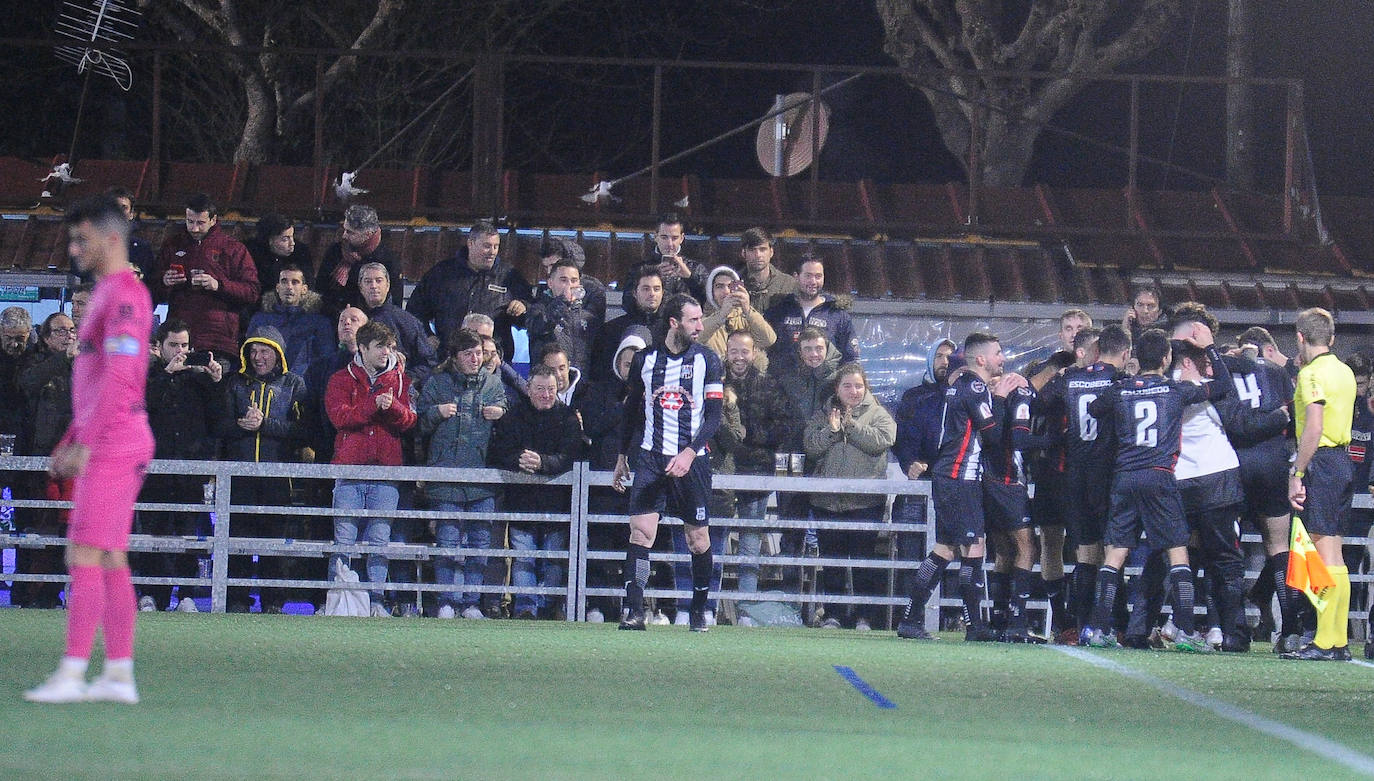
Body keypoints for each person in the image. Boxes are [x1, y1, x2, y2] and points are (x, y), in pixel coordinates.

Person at [25, 194, 154, 705]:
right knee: (110, 556)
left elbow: (122, 376)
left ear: (112, 239)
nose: (74, 248)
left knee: (83, 551)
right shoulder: (109, 292)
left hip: (115, 441)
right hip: (117, 435)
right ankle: (118, 675)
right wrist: (68, 438)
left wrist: (85, 442)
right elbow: (99, 378)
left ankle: (73, 673)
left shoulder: (122, 296)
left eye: (82, 239)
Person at [1077, 326, 1232, 651]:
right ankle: (1187, 631)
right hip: (1160, 477)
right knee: (1178, 550)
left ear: (1134, 357)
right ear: (1166, 358)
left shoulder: (1119, 390)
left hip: (1125, 477)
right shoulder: (1176, 390)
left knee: (1115, 552)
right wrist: (1212, 350)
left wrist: (1120, 380)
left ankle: (1099, 630)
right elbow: (1223, 387)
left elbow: (1093, 408)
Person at [897, 332, 1026, 642]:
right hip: (959, 476)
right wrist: (1002, 398)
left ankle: (911, 619)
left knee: (946, 548)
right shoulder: (976, 386)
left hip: (950, 476)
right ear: (980, 359)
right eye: (998, 353)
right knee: (973, 547)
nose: (1002, 359)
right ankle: (974, 627)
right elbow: (992, 434)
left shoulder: (959, 386)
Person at [613, 294, 724, 631]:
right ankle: (634, 610)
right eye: (693, 320)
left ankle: (698, 611)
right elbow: (631, 410)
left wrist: (690, 452)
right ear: (674, 322)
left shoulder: (708, 360)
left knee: (698, 540)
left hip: (694, 461)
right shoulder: (645, 360)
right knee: (641, 532)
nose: (700, 326)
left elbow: (714, 416)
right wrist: (621, 455)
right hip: (651, 457)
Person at [1037, 324, 1130, 640]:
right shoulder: (1118, 379)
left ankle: (1081, 626)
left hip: (1074, 473)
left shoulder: (1069, 379)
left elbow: (1039, 401)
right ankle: (1114, 625)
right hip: (1107, 474)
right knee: (1112, 552)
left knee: (1085, 554)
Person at [325, 321, 417, 617]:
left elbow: (410, 421)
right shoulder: (340, 379)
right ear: (362, 348)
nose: (386, 352)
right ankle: (339, 602)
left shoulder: (401, 380)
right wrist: (373, 405)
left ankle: (376, 602)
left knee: (380, 540)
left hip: (386, 473)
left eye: (389, 346)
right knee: (345, 539)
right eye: (379, 346)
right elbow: (340, 418)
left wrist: (392, 408)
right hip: (350, 470)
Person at [1223, 324, 1305, 652]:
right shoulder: (1277, 372)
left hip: (1236, 463)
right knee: (1279, 547)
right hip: (1274, 462)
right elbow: (1292, 419)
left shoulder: (1226, 371)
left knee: (1229, 548)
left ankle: (1233, 632)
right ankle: (1290, 631)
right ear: (1265, 348)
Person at [215, 325, 307, 613]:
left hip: (277, 478)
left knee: (274, 545)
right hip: (239, 477)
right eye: (253, 350)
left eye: (265, 350)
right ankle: (237, 601)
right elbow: (219, 425)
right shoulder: (234, 383)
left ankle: (274, 603)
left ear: (278, 353)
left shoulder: (294, 384)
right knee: (236, 541)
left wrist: (265, 424)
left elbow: (303, 430)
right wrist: (242, 424)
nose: (258, 357)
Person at [135, 319, 223, 614]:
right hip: (152, 471)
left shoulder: (200, 382)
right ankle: (150, 594)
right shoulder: (144, 376)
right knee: (152, 535)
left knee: (190, 535)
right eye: (173, 345)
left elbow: (218, 421)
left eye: (185, 345)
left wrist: (216, 382)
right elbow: (140, 410)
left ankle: (186, 594)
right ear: (158, 347)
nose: (180, 351)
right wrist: (165, 376)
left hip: (189, 472)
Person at [1284, 307, 1357, 661]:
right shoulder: (1344, 371)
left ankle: (1325, 642)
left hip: (1322, 462)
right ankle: (1338, 639)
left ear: (1300, 337)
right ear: (1331, 338)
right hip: (1343, 461)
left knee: (1322, 552)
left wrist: (1297, 472)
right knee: (1335, 552)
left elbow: (1313, 426)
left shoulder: (1311, 374)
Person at [418, 329, 507, 620]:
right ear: (455, 357)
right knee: (447, 541)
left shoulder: (494, 385)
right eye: (468, 353)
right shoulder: (437, 384)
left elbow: (510, 422)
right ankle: (447, 601)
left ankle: (470, 602)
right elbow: (418, 425)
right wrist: (435, 413)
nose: (475, 358)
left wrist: (502, 414)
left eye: (479, 353)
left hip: (482, 478)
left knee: (480, 544)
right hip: (445, 477)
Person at [803, 362, 896, 630]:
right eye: (847, 386)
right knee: (831, 563)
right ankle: (833, 613)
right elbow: (811, 446)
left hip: (865, 502)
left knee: (863, 563)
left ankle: (864, 616)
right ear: (837, 388)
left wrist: (850, 426)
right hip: (827, 502)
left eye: (858, 385)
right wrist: (832, 431)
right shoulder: (822, 414)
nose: (853, 391)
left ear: (865, 387)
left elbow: (881, 440)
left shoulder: (879, 414)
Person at [489, 364, 584, 619]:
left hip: (557, 504)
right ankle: (526, 608)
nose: (545, 394)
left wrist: (543, 463)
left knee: (553, 559)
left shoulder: (568, 419)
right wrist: (519, 460)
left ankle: (548, 607)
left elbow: (571, 455)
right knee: (524, 558)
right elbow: (499, 452)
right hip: (522, 502)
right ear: (529, 389)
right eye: (540, 389)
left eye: (550, 389)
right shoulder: (513, 417)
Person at [574, 326, 650, 622]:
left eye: (637, 364)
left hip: (642, 483)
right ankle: (600, 605)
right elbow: (591, 425)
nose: (631, 369)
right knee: (602, 547)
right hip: (605, 484)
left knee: (638, 546)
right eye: (627, 362)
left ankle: (638, 605)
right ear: (618, 361)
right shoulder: (598, 390)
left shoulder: (656, 395)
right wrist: (626, 407)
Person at [721, 329, 793, 614]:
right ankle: (708, 607)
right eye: (734, 351)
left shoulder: (769, 385)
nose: (739, 357)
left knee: (750, 543)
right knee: (713, 539)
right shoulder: (714, 382)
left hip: (757, 470)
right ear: (726, 353)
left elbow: (784, 425)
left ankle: (746, 609)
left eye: (744, 351)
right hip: (722, 471)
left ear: (754, 353)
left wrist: (750, 436)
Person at [12, 313, 79, 609]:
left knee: (67, 530)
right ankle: (30, 593)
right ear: (47, 336)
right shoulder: (36, 362)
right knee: (40, 530)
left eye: (71, 330)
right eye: (61, 331)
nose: (68, 335)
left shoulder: (81, 363)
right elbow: (27, 385)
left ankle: (54, 592)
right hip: (42, 461)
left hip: (76, 460)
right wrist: (63, 359)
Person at [151, 194, 260, 367]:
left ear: (213, 219)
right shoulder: (172, 245)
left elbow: (252, 291)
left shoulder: (233, 249)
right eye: (189, 221)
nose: (194, 228)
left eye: (200, 223)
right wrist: (165, 281)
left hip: (217, 341)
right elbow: (153, 290)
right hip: (178, 339)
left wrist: (218, 285)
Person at [406, 220, 531, 361]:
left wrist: (523, 306)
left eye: (496, 247)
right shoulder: (442, 273)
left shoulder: (509, 276)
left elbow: (530, 315)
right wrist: (427, 335)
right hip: (449, 360)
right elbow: (414, 311)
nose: (492, 252)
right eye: (487, 246)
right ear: (470, 244)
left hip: (492, 363)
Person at [763, 254, 858, 374]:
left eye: (818, 276)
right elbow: (763, 350)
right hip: (783, 388)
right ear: (796, 277)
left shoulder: (837, 315)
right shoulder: (778, 311)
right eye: (808, 276)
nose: (813, 281)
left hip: (825, 388)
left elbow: (850, 360)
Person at [247, 264, 335, 392]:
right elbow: (248, 357)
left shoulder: (319, 323)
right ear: (277, 288)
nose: (289, 287)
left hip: (304, 389)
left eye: (295, 282)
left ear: (304, 289)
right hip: (263, 388)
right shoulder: (260, 320)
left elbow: (326, 360)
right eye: (284, 282)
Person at [356, 261, 436, 386]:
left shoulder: (407, 322)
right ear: (360, 287)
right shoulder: (350, 319)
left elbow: (427, 363)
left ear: (387, 285)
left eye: (379, 280)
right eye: (368, 281)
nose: (373, 286)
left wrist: (404, 380)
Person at [315, 204, 401, 318]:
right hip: (334, 317)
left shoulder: (387, 260)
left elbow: (395, 302)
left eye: (350, 232)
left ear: (367, 234)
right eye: (344, 229)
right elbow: (320, 288)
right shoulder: (335, 251)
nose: (344, 235)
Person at [618, 214, 707, 317]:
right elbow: (627, 304)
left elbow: (708, 301)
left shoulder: (696, 268)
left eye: (674, 238)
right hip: (649, 327)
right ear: (656, 237)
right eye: (664, 237)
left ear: (682, 238)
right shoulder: (639, 269)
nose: (669, 243)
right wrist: (652, 276)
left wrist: (690, 277)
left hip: (685, 328)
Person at [525, 258, 601, 374]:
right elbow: (538, 327)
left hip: (580, 387)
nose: (569, 285)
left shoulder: (588, 317)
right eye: (563, 280)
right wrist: (562, 302)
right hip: (548, 385)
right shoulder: (538, 310)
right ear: (550, 283)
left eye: (574, 280)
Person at [590, 266, 663, 381]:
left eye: (657, 289)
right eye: (646, 289)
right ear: (635, 293)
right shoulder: (611, 329)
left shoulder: (670, 329)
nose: (652, 294)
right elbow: (600, 372)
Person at [700, 265, 775, 371]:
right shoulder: (703, 319)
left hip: (746, 377)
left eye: (730, 286)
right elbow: (696, 338)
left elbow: (769, 340)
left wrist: (748, 311)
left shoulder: (747, 317)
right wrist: (721, 315)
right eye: (719, 286)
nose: (726, 291)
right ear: (711, 291)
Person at [244, 214, 313, 303]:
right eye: (285, 239)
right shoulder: (250, 253)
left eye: (292, 237)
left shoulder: (301, 251)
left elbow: (309, 285)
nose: (292, 243)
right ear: (270, 241)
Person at [537, 235, 606, 323]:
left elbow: (593, 325)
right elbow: (536, 322)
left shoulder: (593, 288)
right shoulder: (544, 288)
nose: (549, 271)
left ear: (568, 261)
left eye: (553, 265)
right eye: (545, 267)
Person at [737, 227, 797, 315]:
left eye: (763, 249)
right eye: (752, 250)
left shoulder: (789, 284)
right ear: (743, 253)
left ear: (771, 252)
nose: (758, 255)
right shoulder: (734, 282)